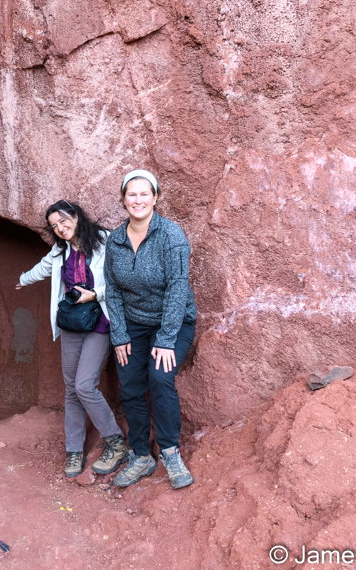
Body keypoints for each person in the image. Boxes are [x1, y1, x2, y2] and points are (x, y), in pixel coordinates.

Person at [16, 201, 128, 478]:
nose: (61, 228)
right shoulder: (60, 250)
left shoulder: (104, 240)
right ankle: (74, 451)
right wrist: (22, 280)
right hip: (71, 323)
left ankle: (115, 441)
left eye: (64, 221)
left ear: (76, 217)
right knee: (70, 390)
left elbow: (120, 279)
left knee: (84, 385)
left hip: (99, 322)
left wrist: (95, 294)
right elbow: (43, 269)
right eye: (55, 226)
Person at [104, 170, 198, 489]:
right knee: (130, 384)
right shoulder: (115, 240)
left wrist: (166, 339)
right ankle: (141, 455)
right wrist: (119, 335)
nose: (138, 200)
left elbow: (177, 287)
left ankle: (170, 452)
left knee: (159, 377)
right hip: (133, 323)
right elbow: (113, 291)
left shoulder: (171, 235)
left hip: (173, 322)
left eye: (145, 194)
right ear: (123, 200)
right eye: (132, 194)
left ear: (155, 198)